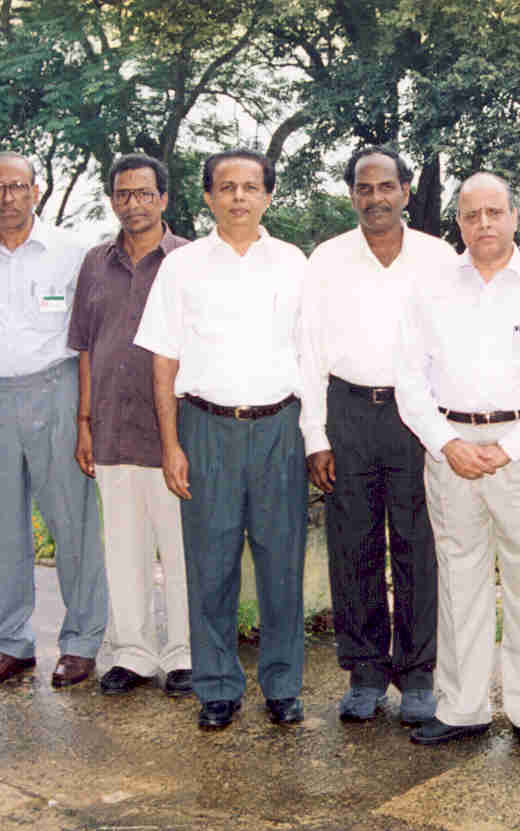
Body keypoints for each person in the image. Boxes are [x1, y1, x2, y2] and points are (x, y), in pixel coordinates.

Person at [395, 172, 520, 756]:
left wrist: (511, 446)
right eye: (472, 214)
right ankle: (462, 707)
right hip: (449, 447)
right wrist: (446, 443)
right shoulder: (430, 288)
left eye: (494, 212)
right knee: (458, 580)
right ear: (459, 222)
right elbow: (409, 379)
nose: (484, 224)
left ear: (514, 218)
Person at [135, 148, 310, 731]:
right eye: (226, 187)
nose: (238, 197)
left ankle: (283, 685)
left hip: (279, 428)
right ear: (207, 196)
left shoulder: (293, 264)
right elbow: (163, 360)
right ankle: (216, 686)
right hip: (205, 427)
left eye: (250, 186)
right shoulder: (181, 268)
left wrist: (314, 438)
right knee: (210, 566)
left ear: (267, 195)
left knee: (281, 562)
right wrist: (171, 444)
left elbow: (312, 357)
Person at [298, 146, 453, 724]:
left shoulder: (438, 260)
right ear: (353, 196)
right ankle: (364, 670)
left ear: (406, 192)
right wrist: (316, 434)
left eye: (385, 187)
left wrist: (445, 428)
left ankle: (417, 674)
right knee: (354, 542)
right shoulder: (328, 259)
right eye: (364, 189)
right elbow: (308, 350)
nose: (375, 198)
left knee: (418, 542)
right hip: (349, 412)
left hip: (415, 417)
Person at [0, 151, 109, 689]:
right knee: (0, 527)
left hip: (56, 391)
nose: (7, 198)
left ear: (36, 191)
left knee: (73, 522)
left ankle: (82, 640)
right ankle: (12, 642)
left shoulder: (72, 252)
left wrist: (88, 413)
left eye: (17, 187)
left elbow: (90, 334)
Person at [68, 153, 193, 698]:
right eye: (123, 194)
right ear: (113, 200)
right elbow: (87, 349)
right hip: (113, 427)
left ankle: (186, 653)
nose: (133, 204)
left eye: (144, 194)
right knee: (123, 547)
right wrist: (84, 421)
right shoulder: (96, 262)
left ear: (164, 199)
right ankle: (134, 654)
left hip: (176, 430)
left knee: (183, 547)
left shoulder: (191, 260)